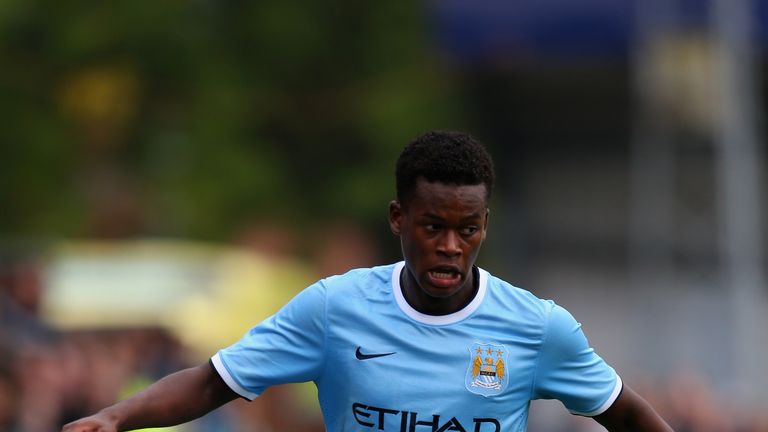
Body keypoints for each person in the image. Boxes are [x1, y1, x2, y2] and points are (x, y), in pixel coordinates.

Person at [63, 130, 673, 431]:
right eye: (433, 227)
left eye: (468, 230)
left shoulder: (538, 327)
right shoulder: (334, 307)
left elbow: (629, 415)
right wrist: (115, 418)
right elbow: (213, 382)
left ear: (485, 225)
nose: (450, 247)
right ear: (397, 218)